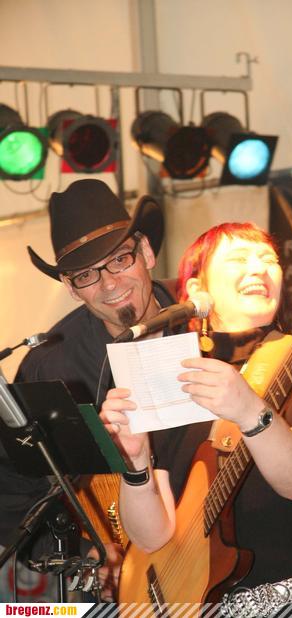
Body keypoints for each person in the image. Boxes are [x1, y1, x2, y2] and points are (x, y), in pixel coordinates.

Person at [99, 221, 292, 614]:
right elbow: (151, 538)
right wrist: (134, 463)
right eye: (239, 259)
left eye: (268, 259)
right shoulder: (174, 377)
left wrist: (249, 410)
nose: (259, 268)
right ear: (196, 290)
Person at [0, 178, 176, 600]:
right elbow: (10, 493)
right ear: (70, 287)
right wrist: (84, 553)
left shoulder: (210, 335)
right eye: (86, 274)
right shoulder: (49, 368)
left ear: (146, 252)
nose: (109, 284)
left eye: (119, 260)